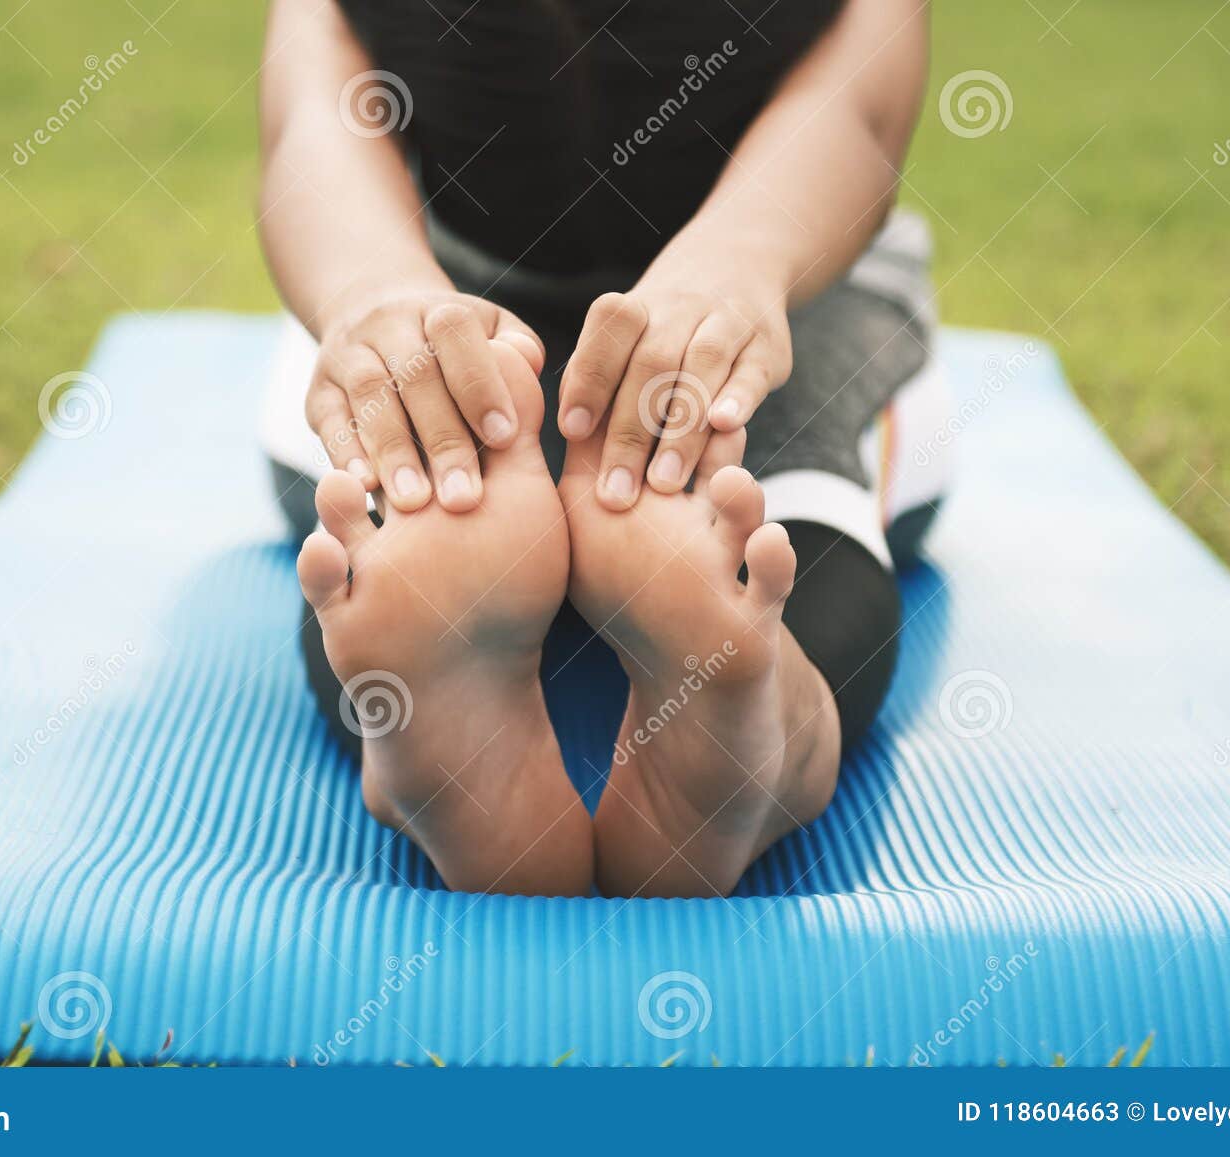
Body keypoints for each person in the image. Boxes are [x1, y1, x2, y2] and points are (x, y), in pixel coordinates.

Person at [258, 0, 948, 898]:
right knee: (397, 473)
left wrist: (741, 264)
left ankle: (768, 730)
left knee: (403, 505)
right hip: (436, 291)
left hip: (785, 285)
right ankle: (765, 731)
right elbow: (319, 120)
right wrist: (372, 294)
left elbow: (854, 107)